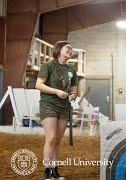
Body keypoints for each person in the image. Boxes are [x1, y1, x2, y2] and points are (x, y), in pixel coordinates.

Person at [36, 41, 77, 180]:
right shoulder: (48, 65)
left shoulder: (72, 70)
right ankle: (47, 171)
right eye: (68, 48)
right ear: (59, 50)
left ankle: (55, 170)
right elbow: (38, 85)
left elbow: (73, 88)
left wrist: (72, 95)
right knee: (51, 138)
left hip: (64, 107)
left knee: (58, 140)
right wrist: (57, 92)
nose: (71, 50)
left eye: (72, 49)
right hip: (49, 104)